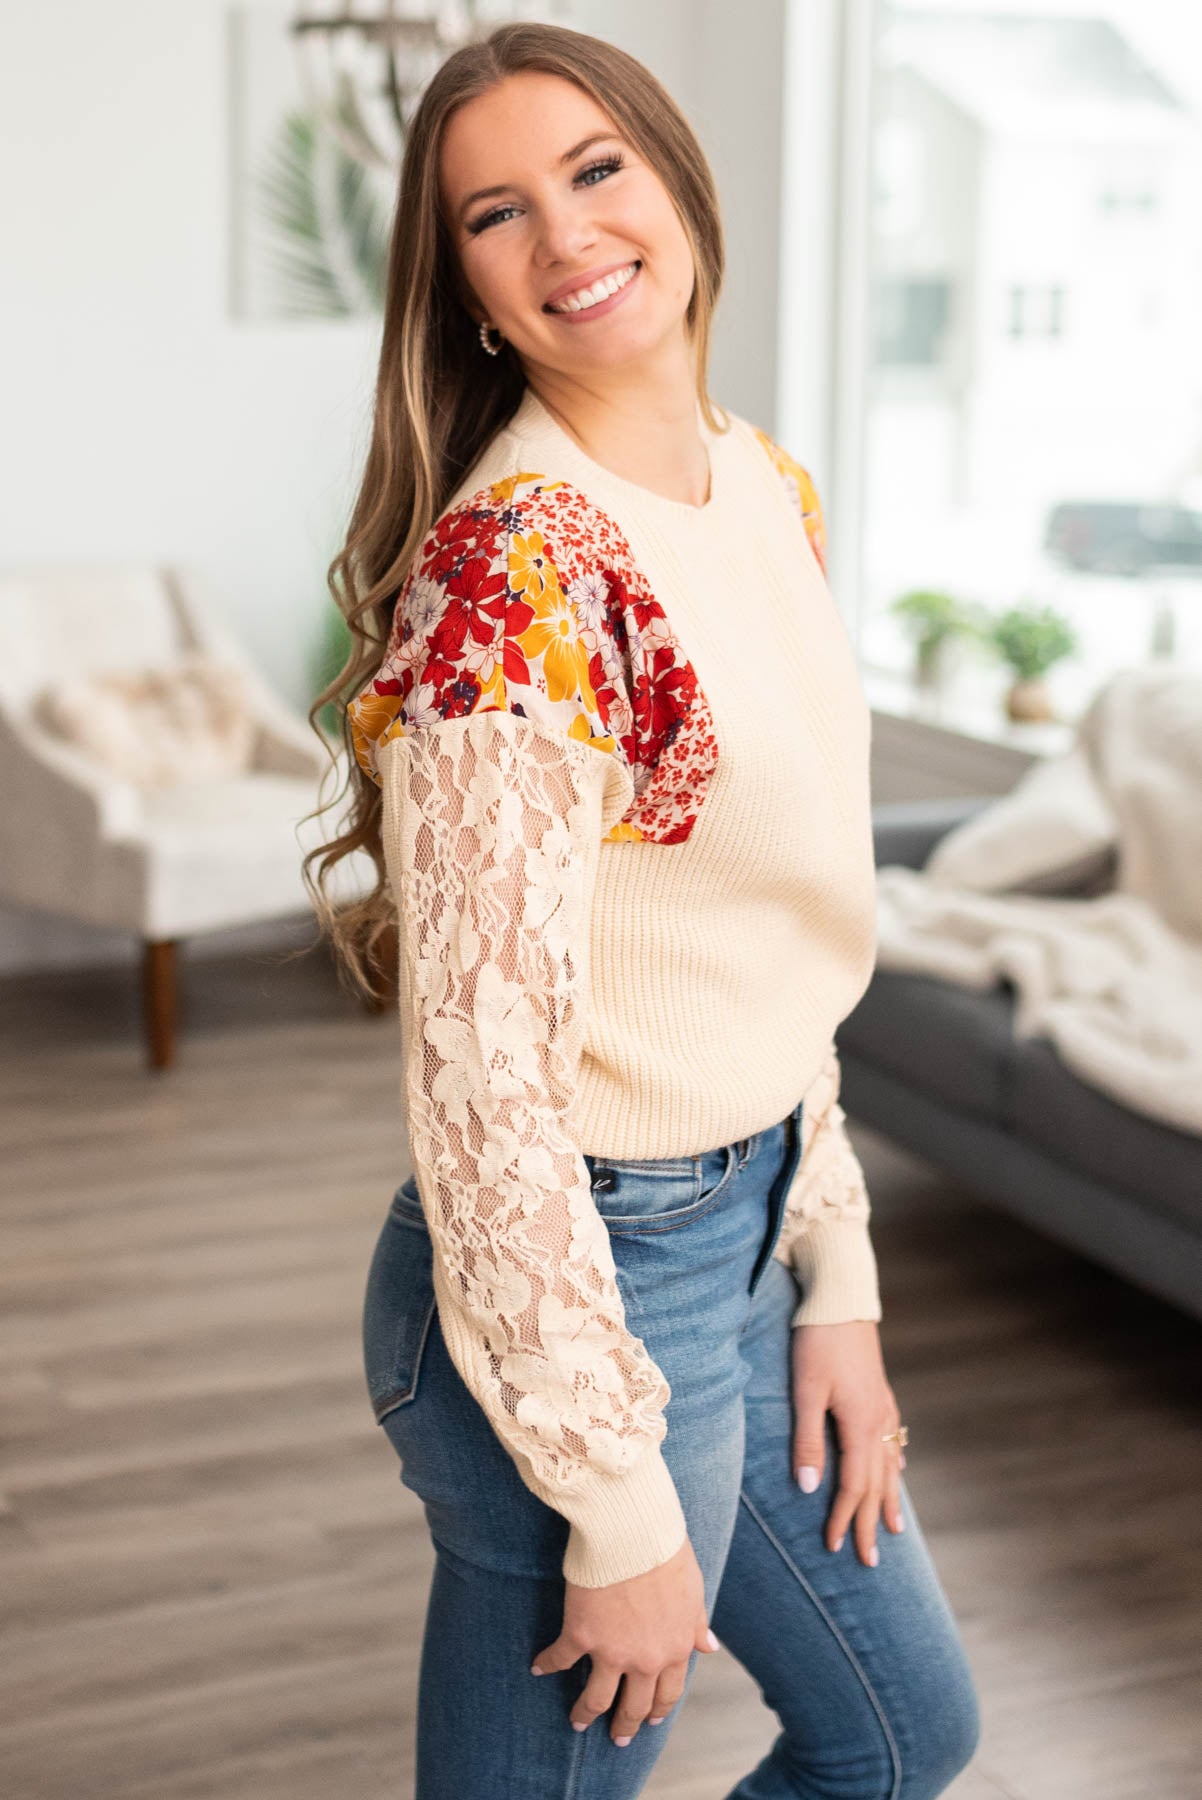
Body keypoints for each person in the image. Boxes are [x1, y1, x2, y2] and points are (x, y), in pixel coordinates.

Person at [306, 19, 981, 1799]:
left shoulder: (760, 487)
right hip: (580, 1279)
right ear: (457, 289)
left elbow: (768, 944)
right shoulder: (519, 570)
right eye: (493, 214)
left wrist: (833, 1269)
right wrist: (608, 1494)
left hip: (752, 1227)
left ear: (677, 186)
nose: (566, 237)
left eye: (596, 171)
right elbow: (481, 1080)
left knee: (902, 1734)